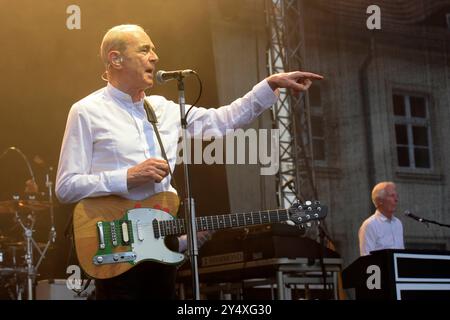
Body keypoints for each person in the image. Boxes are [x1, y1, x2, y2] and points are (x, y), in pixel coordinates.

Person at [55, 24, 323, 299]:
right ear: (115, 59)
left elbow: (223, 121)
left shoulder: (163, 109)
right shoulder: (87, 111)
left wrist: (269, 85)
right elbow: (66, 186)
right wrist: (128, 176)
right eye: (145, 49)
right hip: (116, 246)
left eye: (154, 50)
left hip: (162, 240)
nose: (155, 57)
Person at [358, 181, 405, 256]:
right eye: (392, 196)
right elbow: (366, 257)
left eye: (397, 196)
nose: (396, 200)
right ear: (379, 200)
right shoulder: (370, 225)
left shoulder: (398, 223)